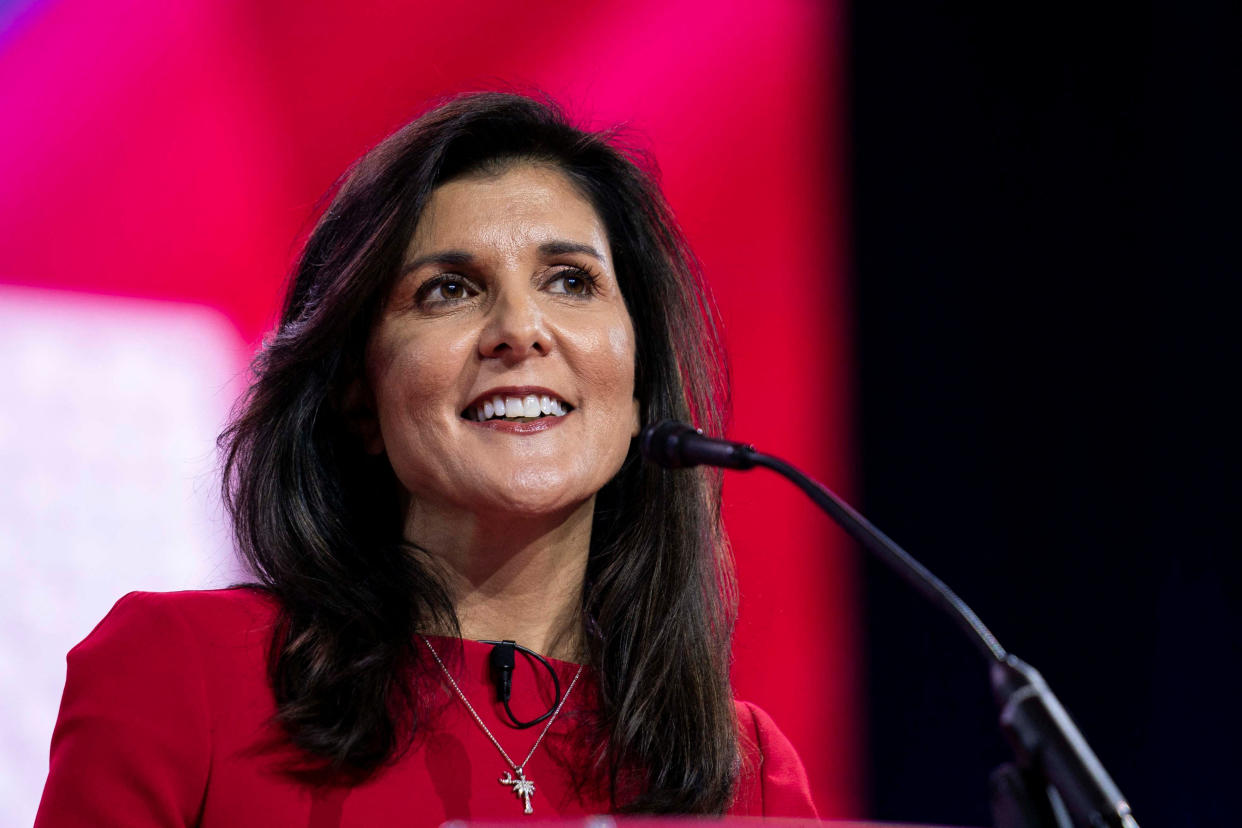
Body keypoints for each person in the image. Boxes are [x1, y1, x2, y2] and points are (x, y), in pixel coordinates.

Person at [35, 92, 818, 826]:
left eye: (570, 280)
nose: (520, 328)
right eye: (448, 290)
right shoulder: (184, 675)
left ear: (640, 386)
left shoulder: (743, 774)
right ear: (358, 399)